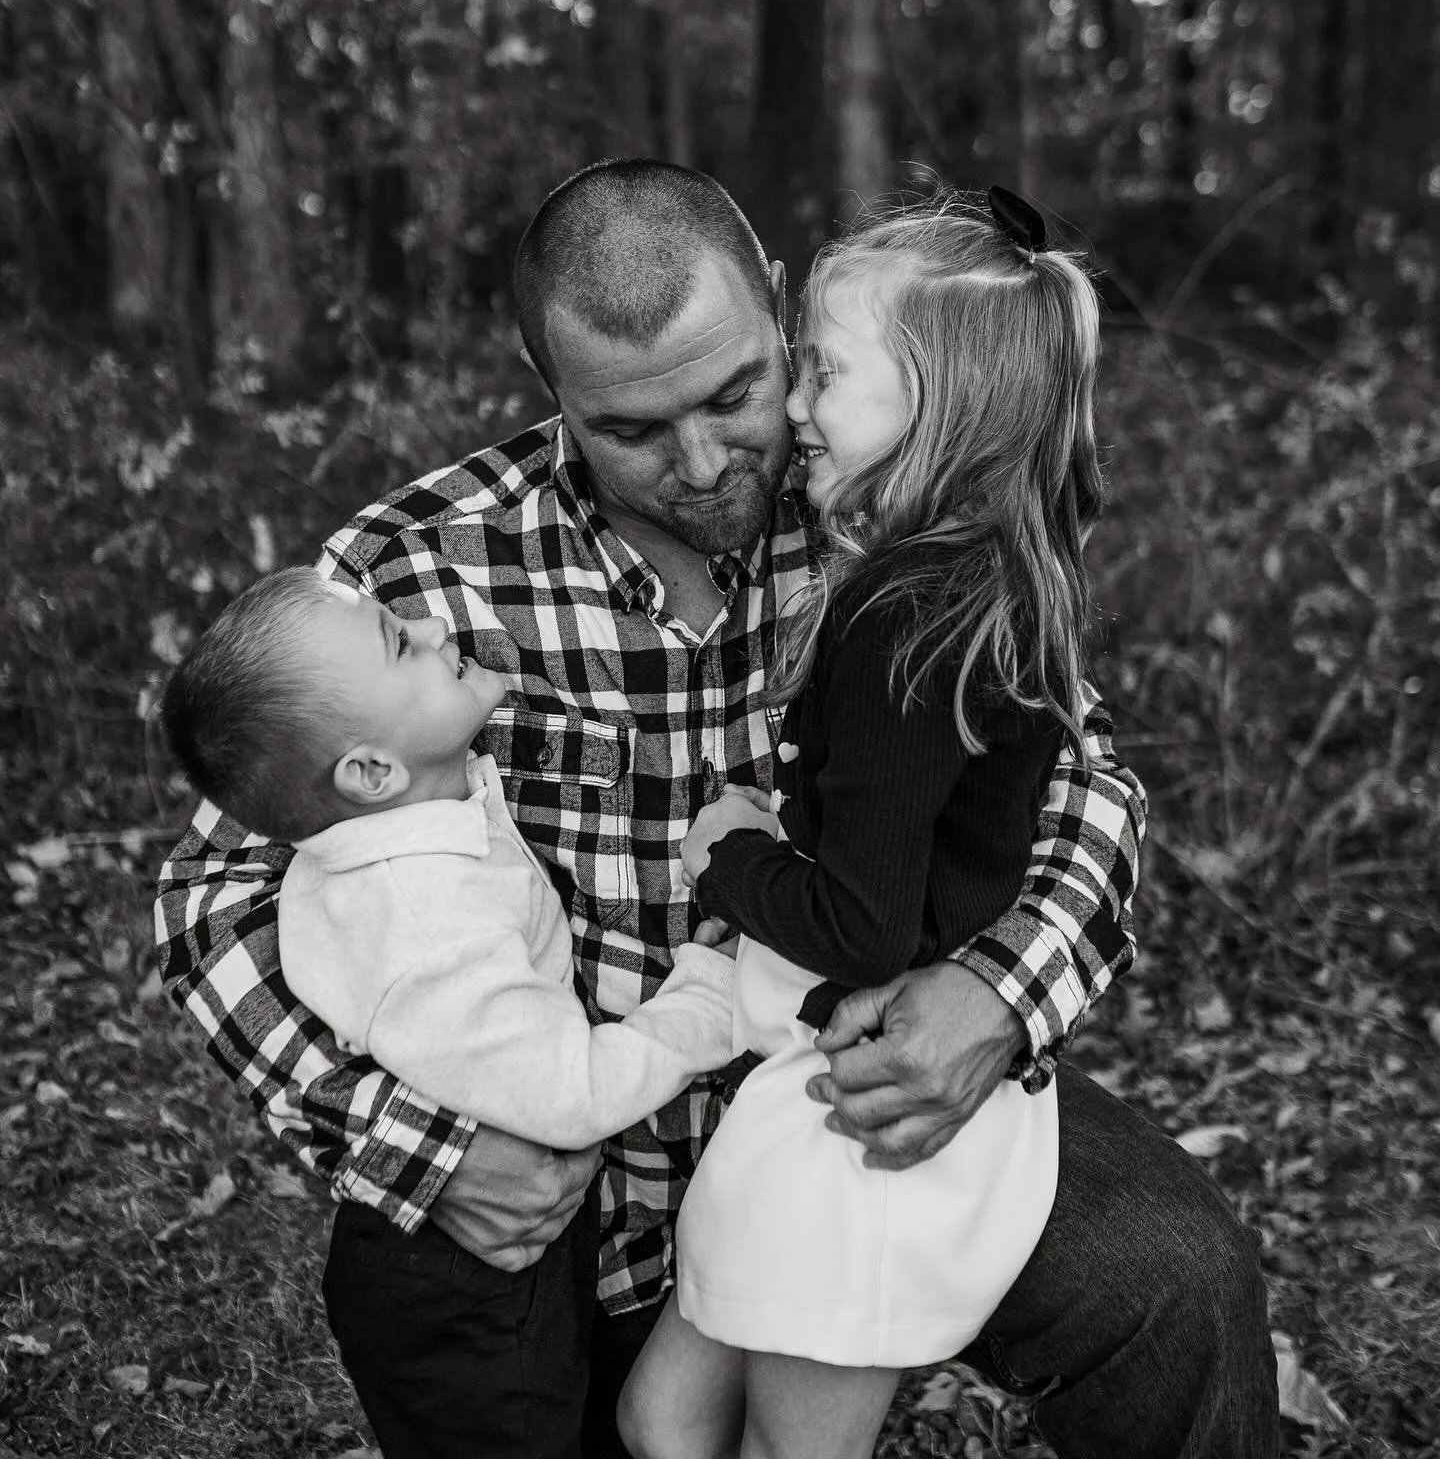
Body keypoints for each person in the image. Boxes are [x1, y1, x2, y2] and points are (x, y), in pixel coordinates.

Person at [155, 159, 1278, 1459]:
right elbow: (212, 903)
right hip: (568, 1163)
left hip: (848, 1100)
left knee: (1179, 1279)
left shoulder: (896, 491)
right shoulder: (412, 574)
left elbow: (1085, 777)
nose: (702, 462)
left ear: (781, 310)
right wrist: (425, 1148)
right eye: (631, 429)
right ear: (547, 386)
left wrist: (1003, 992)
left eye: (737, 391)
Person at [618, 195, 1095, 1459]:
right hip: (815, 1087)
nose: (801, 408)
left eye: (828, 371)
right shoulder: (987, 573)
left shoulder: (911, 618)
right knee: (660, 1417)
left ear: (938, 408)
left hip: (865, 1121)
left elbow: (866, 924)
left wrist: (732, 855)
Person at [157, 565, 739, 1457]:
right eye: (401, 644)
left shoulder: (381, 838)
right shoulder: (429, 916)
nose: (432, 627)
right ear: (371, 769)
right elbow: (572, 1091)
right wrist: (704, 997)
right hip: (472, 1283)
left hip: (436, 1261)